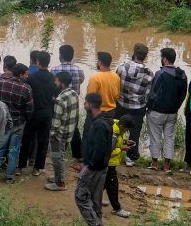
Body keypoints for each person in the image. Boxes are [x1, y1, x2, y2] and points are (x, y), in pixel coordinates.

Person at [146, 47, 187, 173]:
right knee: (170, 137)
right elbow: (183, 95)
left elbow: (153, 94)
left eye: (161, 57)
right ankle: (167, 166)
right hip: (172, 112)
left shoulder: (161, 74)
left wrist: (149, 107)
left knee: (155, 137)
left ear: (165, 59)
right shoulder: (182, 75)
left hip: (157, 112)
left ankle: (154, 163)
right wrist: (176, 107)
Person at [76, 93, 114, 226]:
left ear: (91, 104)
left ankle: (95, 224)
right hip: (101, 167)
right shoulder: (101, 120)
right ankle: (98, 221)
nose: (84, 105)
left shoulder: (99, 124)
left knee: (80, 197)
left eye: (85, 103)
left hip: (94, 167)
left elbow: (99, 148)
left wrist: (89, 166)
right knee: (95, 200)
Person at [115, 44, 153, 166]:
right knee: (135, 132)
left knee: (117, 129)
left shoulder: (121, 68)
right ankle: (130, 158)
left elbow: (115, 86)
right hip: (138, 107)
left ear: (134, 53)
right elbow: (148, 94)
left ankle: (115, 151)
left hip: (121, 104)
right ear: (145, 56)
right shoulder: (149, 73)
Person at [0, 61, 34, 181]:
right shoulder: (26, 88)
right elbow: (29, 109)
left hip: (3, 122)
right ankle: (10, 177)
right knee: (14, 150)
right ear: (21, 75)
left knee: (1, 147)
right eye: (26, 74)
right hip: (18, 123)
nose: (27, 76)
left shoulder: (0, 83)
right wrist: (26, 119)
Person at [22, 52, 56, 176]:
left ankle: (22, 164)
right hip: (47, 113)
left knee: (27, 138)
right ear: (48, 62)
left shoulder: (31, 77)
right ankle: (38, 167)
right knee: (43, 140)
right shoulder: (53, 78)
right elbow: (55, 94)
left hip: (33, 112)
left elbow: (26, 95)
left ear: (37, 62)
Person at [45, 71, 80, 192]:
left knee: (56, 158)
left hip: (59, 134)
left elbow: (56, 120)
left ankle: (60, 183)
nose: (55, 82)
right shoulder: (74, 93)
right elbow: (75, 115)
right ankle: (57, 177)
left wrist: (52, 134)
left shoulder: (59, 99)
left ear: (62, 83)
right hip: (69, 131)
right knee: (61, 156)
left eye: (57, 80)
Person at [53, 44, 87, 159]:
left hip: (59, 102)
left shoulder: (54, 70)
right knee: (74, 127)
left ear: (61, 56)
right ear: (72, 57)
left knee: (58, 125)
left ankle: (59, 150)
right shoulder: (79, 70)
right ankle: (78, 154)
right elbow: (81, 81)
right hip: (74, 103)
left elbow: (53, 86)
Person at [105, 114, 134, 218]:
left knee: (103, 184)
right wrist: (121, 148)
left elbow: (118, 142)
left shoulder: (118, 126)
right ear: (122, 126)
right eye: (126, 130)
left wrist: (126, 141)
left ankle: (94, 199)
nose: (126, 132)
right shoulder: (114, 133)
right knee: (113, 187)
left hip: (110, 164)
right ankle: (117, 209)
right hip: (109, 164)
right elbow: (108, 151)